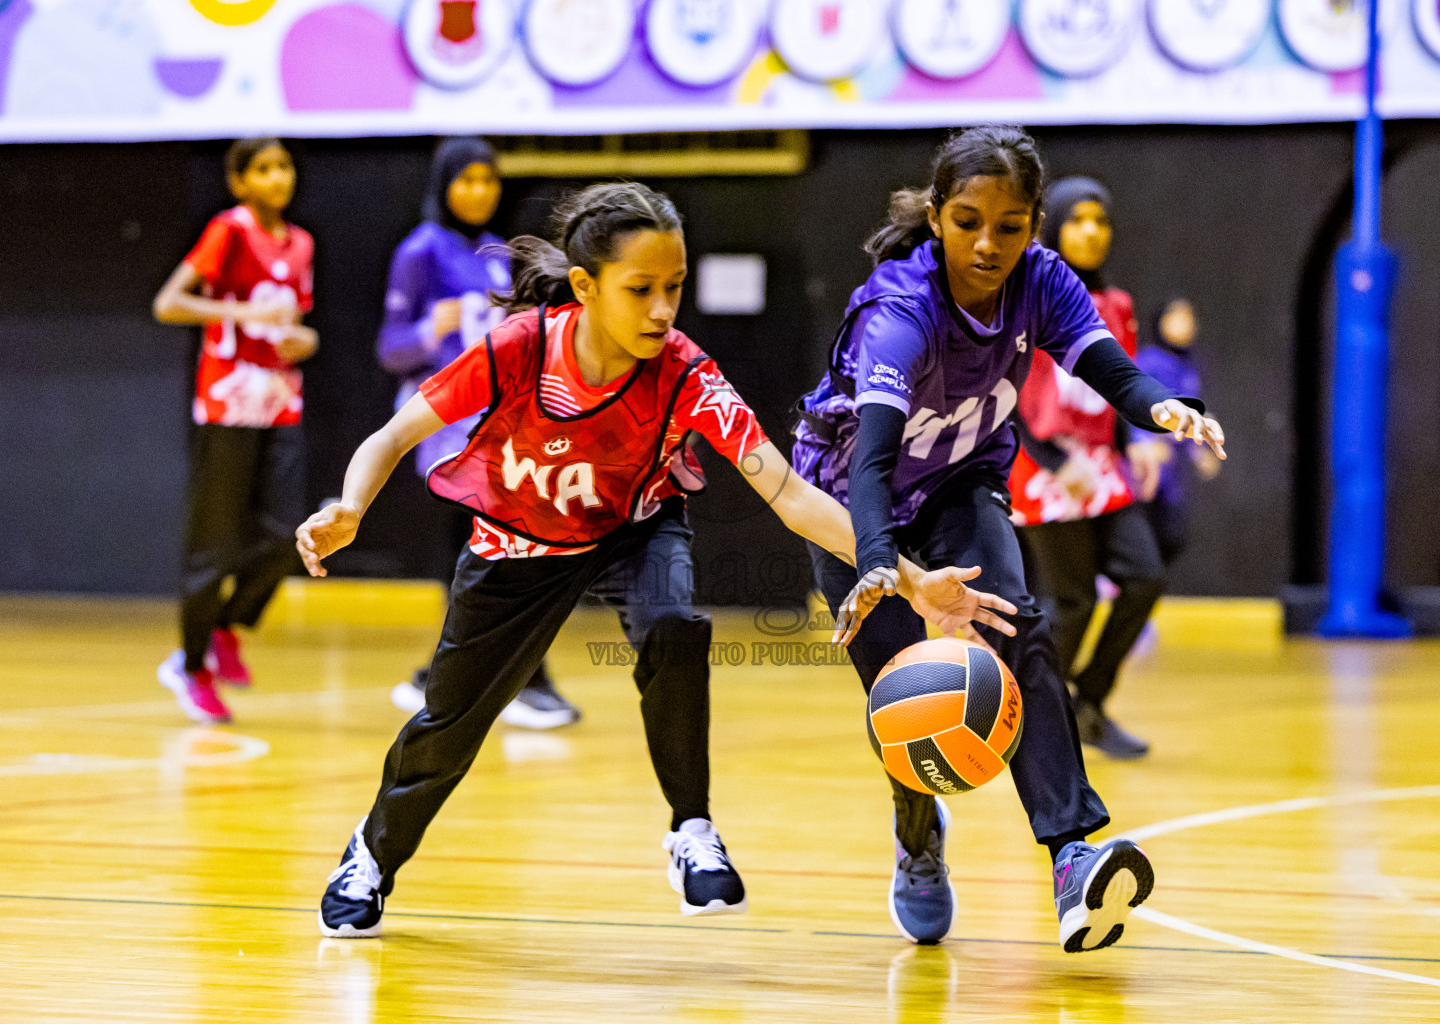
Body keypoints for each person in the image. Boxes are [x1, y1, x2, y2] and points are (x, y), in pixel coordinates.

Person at [299, 182, 1013, 939]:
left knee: (674, 623)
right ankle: (371, 856)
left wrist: (906, 576)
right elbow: (392, 435)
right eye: (640, 289)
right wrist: (349, 505)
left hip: (634, 530)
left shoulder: (685, 372)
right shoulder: (521, 348)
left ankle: (691, 828)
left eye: (673, 287)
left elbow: (794, 496)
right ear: (585, 286)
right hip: (521, 544)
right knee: (450, 725)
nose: (663, 309)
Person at [793, 127, 1226, 950]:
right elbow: (875, 460)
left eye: (1010, 225)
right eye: (966, 222)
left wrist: (1161, 408)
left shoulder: (1042, 282)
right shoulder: (901, 308)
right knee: (904, 685)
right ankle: (918, 840)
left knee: (1018, 625)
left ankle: (1071, 855)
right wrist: (884, 565)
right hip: (853, 497)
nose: (988, 245)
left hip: (959, 481)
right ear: (935, 217)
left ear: (1033, 226)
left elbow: (1108, 368)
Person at [377, 136, 581, 730]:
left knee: (495, 553)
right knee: (503, 549)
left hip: (500, 422)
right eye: (465, 181)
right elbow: (389, 349)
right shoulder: (419, 250)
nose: (478, 192)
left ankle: (446, 676)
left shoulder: (495, 254)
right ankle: (522, 680)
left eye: (487, 181)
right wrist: (426, 331)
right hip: (445, 426)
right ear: (443, 186)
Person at [151, 137, 317, 725]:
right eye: (264, 169)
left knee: (290, 533)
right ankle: (191, 665)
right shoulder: (228, 229)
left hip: (279, 401)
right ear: (240, 180)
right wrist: (238, 313)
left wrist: (307, 340)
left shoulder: (301, 244)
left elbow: (296, 323)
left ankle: (226, 628)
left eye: (284, 166)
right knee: (211, 546)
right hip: (226, 403)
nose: (278, 178)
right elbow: (169, 303)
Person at [1009, 176, 1166, 761]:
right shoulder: (1027, 296)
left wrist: (1142, 438)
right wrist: (1053, 460)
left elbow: (1116, 381)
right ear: (1054, 228)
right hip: (1044, 468)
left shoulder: (1117, 305)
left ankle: (1088, 701)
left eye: (1101, 221)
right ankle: (1026, 719)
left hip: (1101, 469)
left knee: (1145, 576)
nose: (1092, 232)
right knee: (1071, 604)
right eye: (1078, 220)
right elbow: (1009, 393)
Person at [1133, 297, 1221, 567]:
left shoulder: (1190, 366)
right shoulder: (1148, 361)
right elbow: (1131, 404)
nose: (1187, 324)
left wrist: (1201, 451)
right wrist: (1143, 441)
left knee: (1172, 538)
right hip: (1147, 469)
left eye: (1190, 317)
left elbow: (1191, 414)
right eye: (1178, 316)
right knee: (1141, 538)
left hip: (1174, 472)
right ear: (1162, 321)